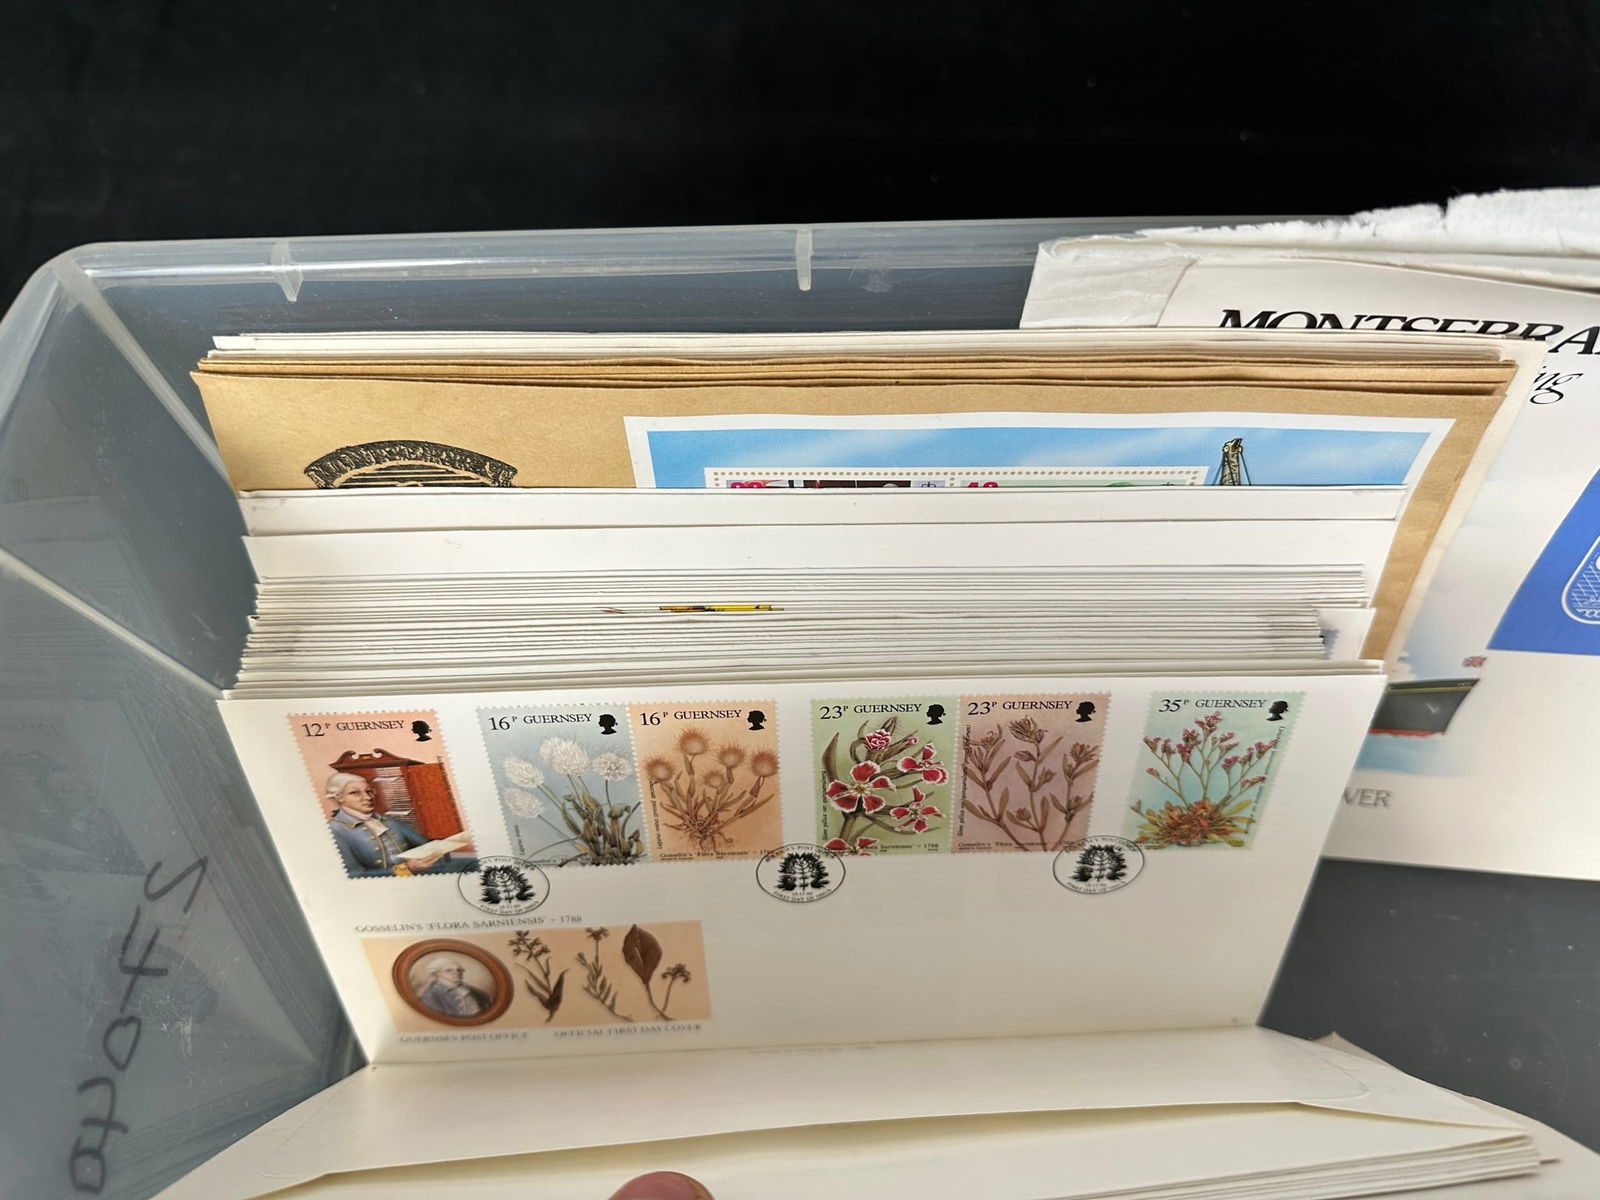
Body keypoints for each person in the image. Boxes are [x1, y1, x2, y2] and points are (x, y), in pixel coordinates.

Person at [324, 771, 446, 877]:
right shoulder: (334, 829)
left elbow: (425, 844)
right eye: (355, 792)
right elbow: (354, 874)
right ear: (339, 797)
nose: (368, 797)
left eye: (369, 791)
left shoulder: (388, 820)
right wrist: (407, 868)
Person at [414, 956, 493, 1018]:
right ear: (436, 973)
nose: (456, 973)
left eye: (459, 970)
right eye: (449, 970)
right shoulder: (431, 994)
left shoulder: (474, 990)